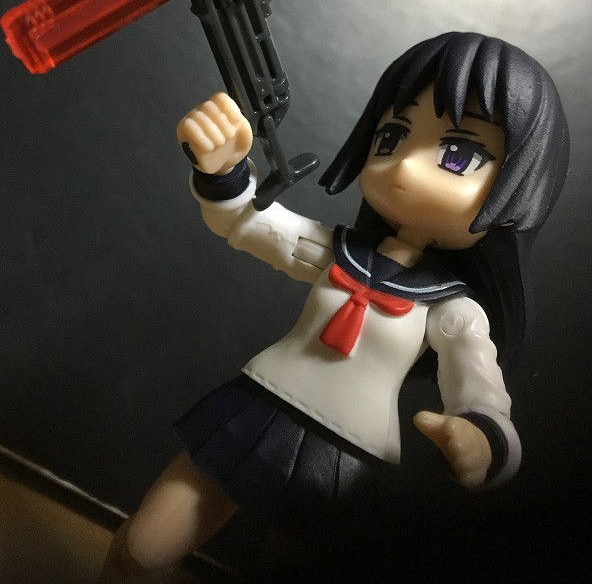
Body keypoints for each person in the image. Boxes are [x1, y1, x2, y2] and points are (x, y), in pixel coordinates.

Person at [100, 32, 569, 581]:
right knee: (147, 544)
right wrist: (224, 170)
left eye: (458, 154)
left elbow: (480, 390)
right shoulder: (335, 251)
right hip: (260, 407)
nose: (404, 167)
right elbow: (250, 224)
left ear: (520, 188)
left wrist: (482, 439)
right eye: (393, 136)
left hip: (349, 454)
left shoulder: (452, 310)